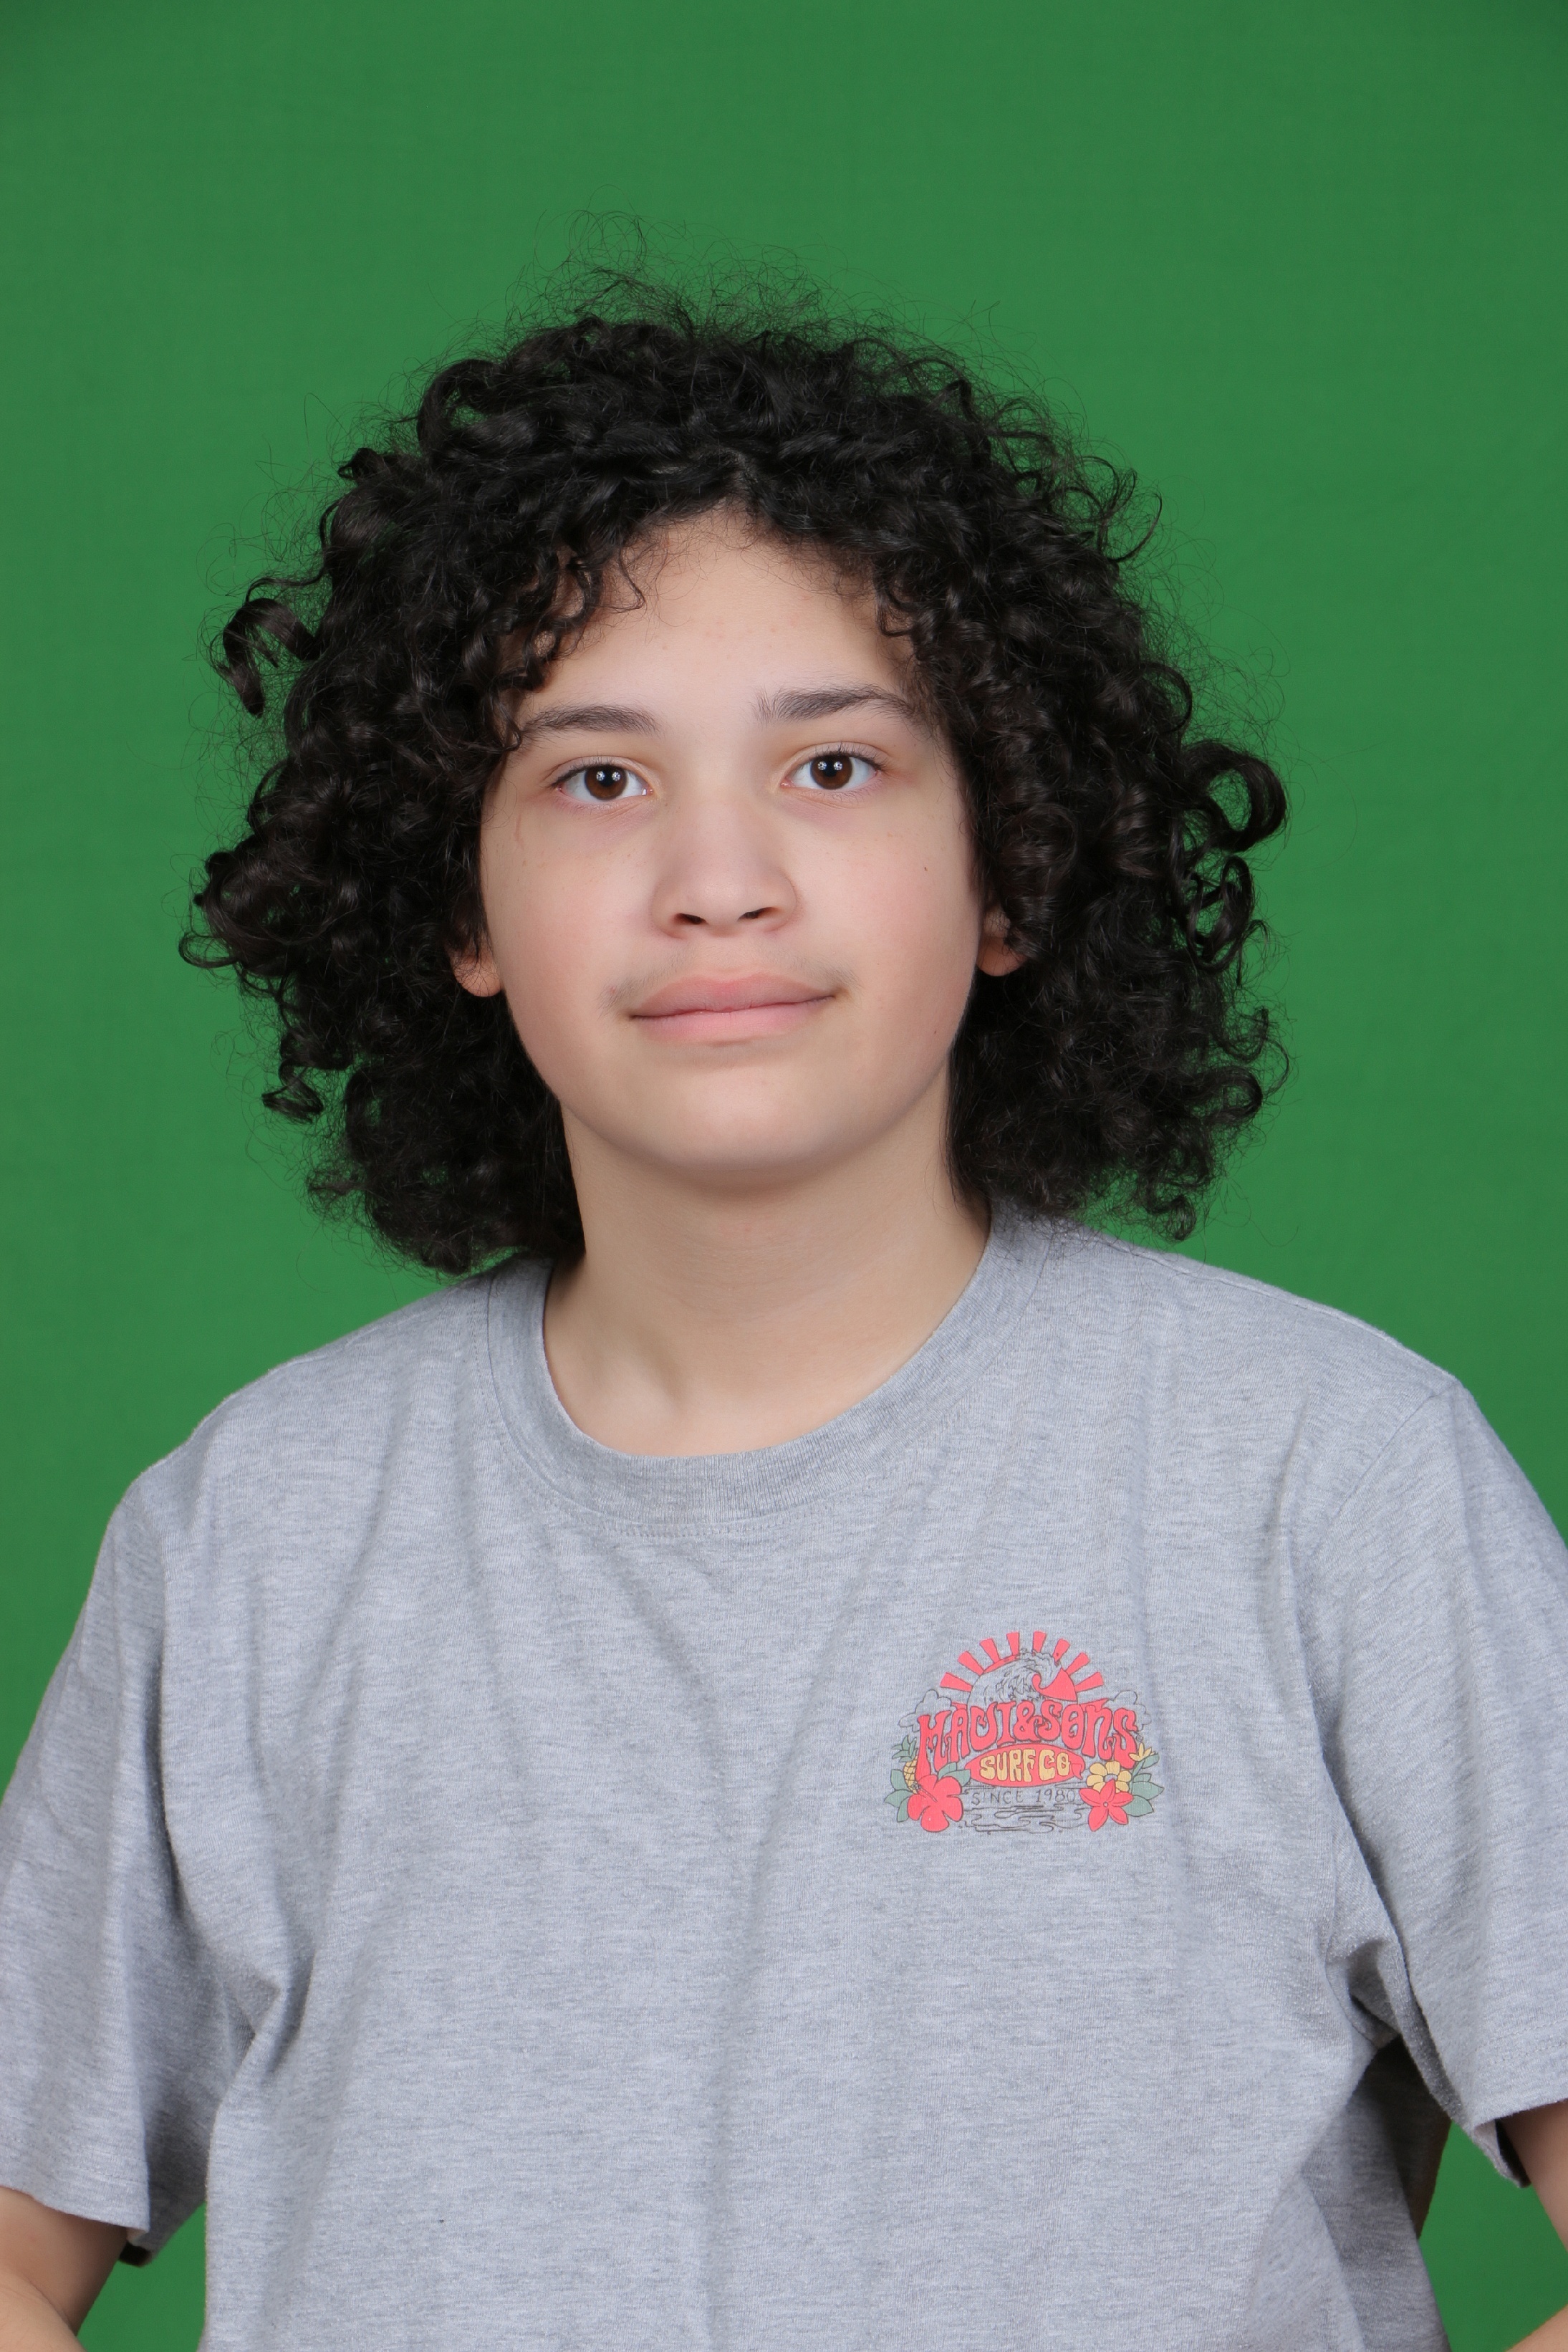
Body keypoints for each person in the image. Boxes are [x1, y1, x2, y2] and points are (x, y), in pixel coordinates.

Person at [0, 284, 1564, 2352]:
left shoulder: (1326, 1481)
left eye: (834, 764)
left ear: (1006, 872)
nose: (718, 876)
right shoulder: (256, 1534)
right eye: (596, 779)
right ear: (460, 908)